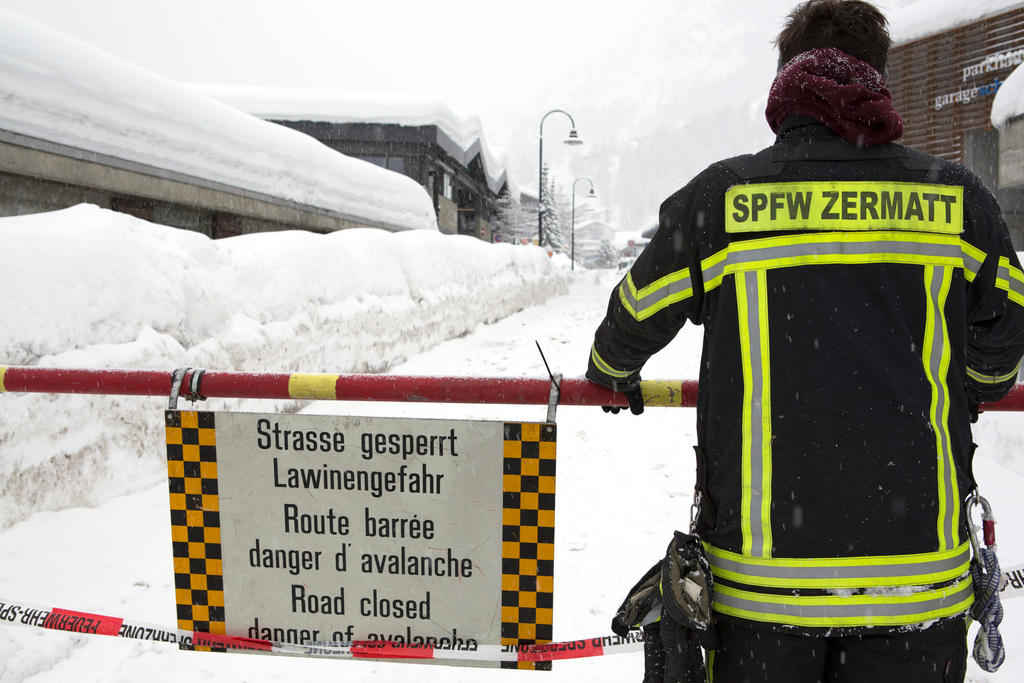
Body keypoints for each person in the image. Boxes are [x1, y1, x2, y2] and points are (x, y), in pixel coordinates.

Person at [586, 1, 1024, 681]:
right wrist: (973, 388)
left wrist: (611, 372)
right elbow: (1009, 324)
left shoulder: (723, 199)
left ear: (786, 84)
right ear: (880, 81)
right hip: (917, 584)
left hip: (761, 593)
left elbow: (632, 316)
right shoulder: (957, 202)